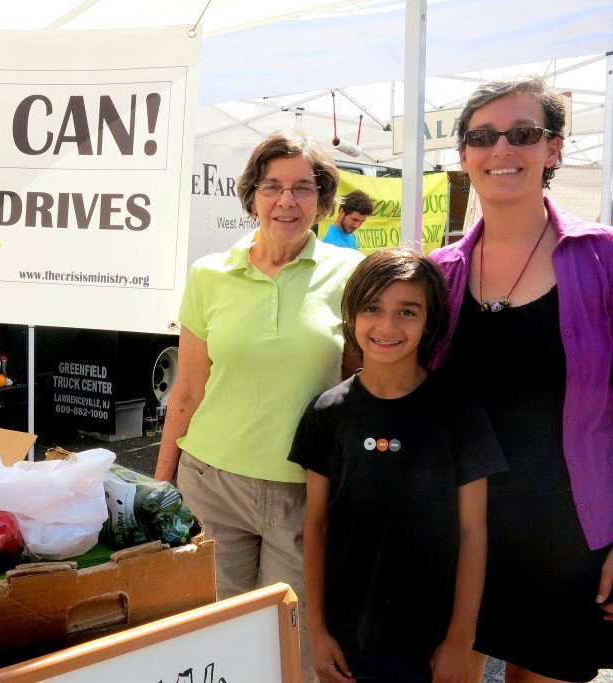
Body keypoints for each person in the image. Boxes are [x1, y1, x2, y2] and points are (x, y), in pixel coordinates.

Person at [154, 131, 364, 680]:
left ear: (322, 200)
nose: (286, 201)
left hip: (305, 492)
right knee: (216, 634)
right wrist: (159, 487)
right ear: (252, 196)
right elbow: (189, 390)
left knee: (294, 643)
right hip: (212, 483)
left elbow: (357, 389)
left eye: (302, 188)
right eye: (272, 186)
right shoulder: (209, 274)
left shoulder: (351, 274)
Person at [431, 76, 613, 682]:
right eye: (482, 136)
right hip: (455, 529)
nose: (501, 149)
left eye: (523, 134)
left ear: (553, 150)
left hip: (565, 534)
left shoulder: (603, 260)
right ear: (464, 156)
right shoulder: (439, 274)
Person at [288, 248, 506, 683]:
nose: (387, 326)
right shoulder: (327, 412)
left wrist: (460, 642)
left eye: (407, 311)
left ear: (430, 323)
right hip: (349, 641)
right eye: (372, 308)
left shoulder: (459, 414)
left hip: (430, 644)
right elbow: (316, 527)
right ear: (351, 315)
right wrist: (319, 631)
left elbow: (474, 532)